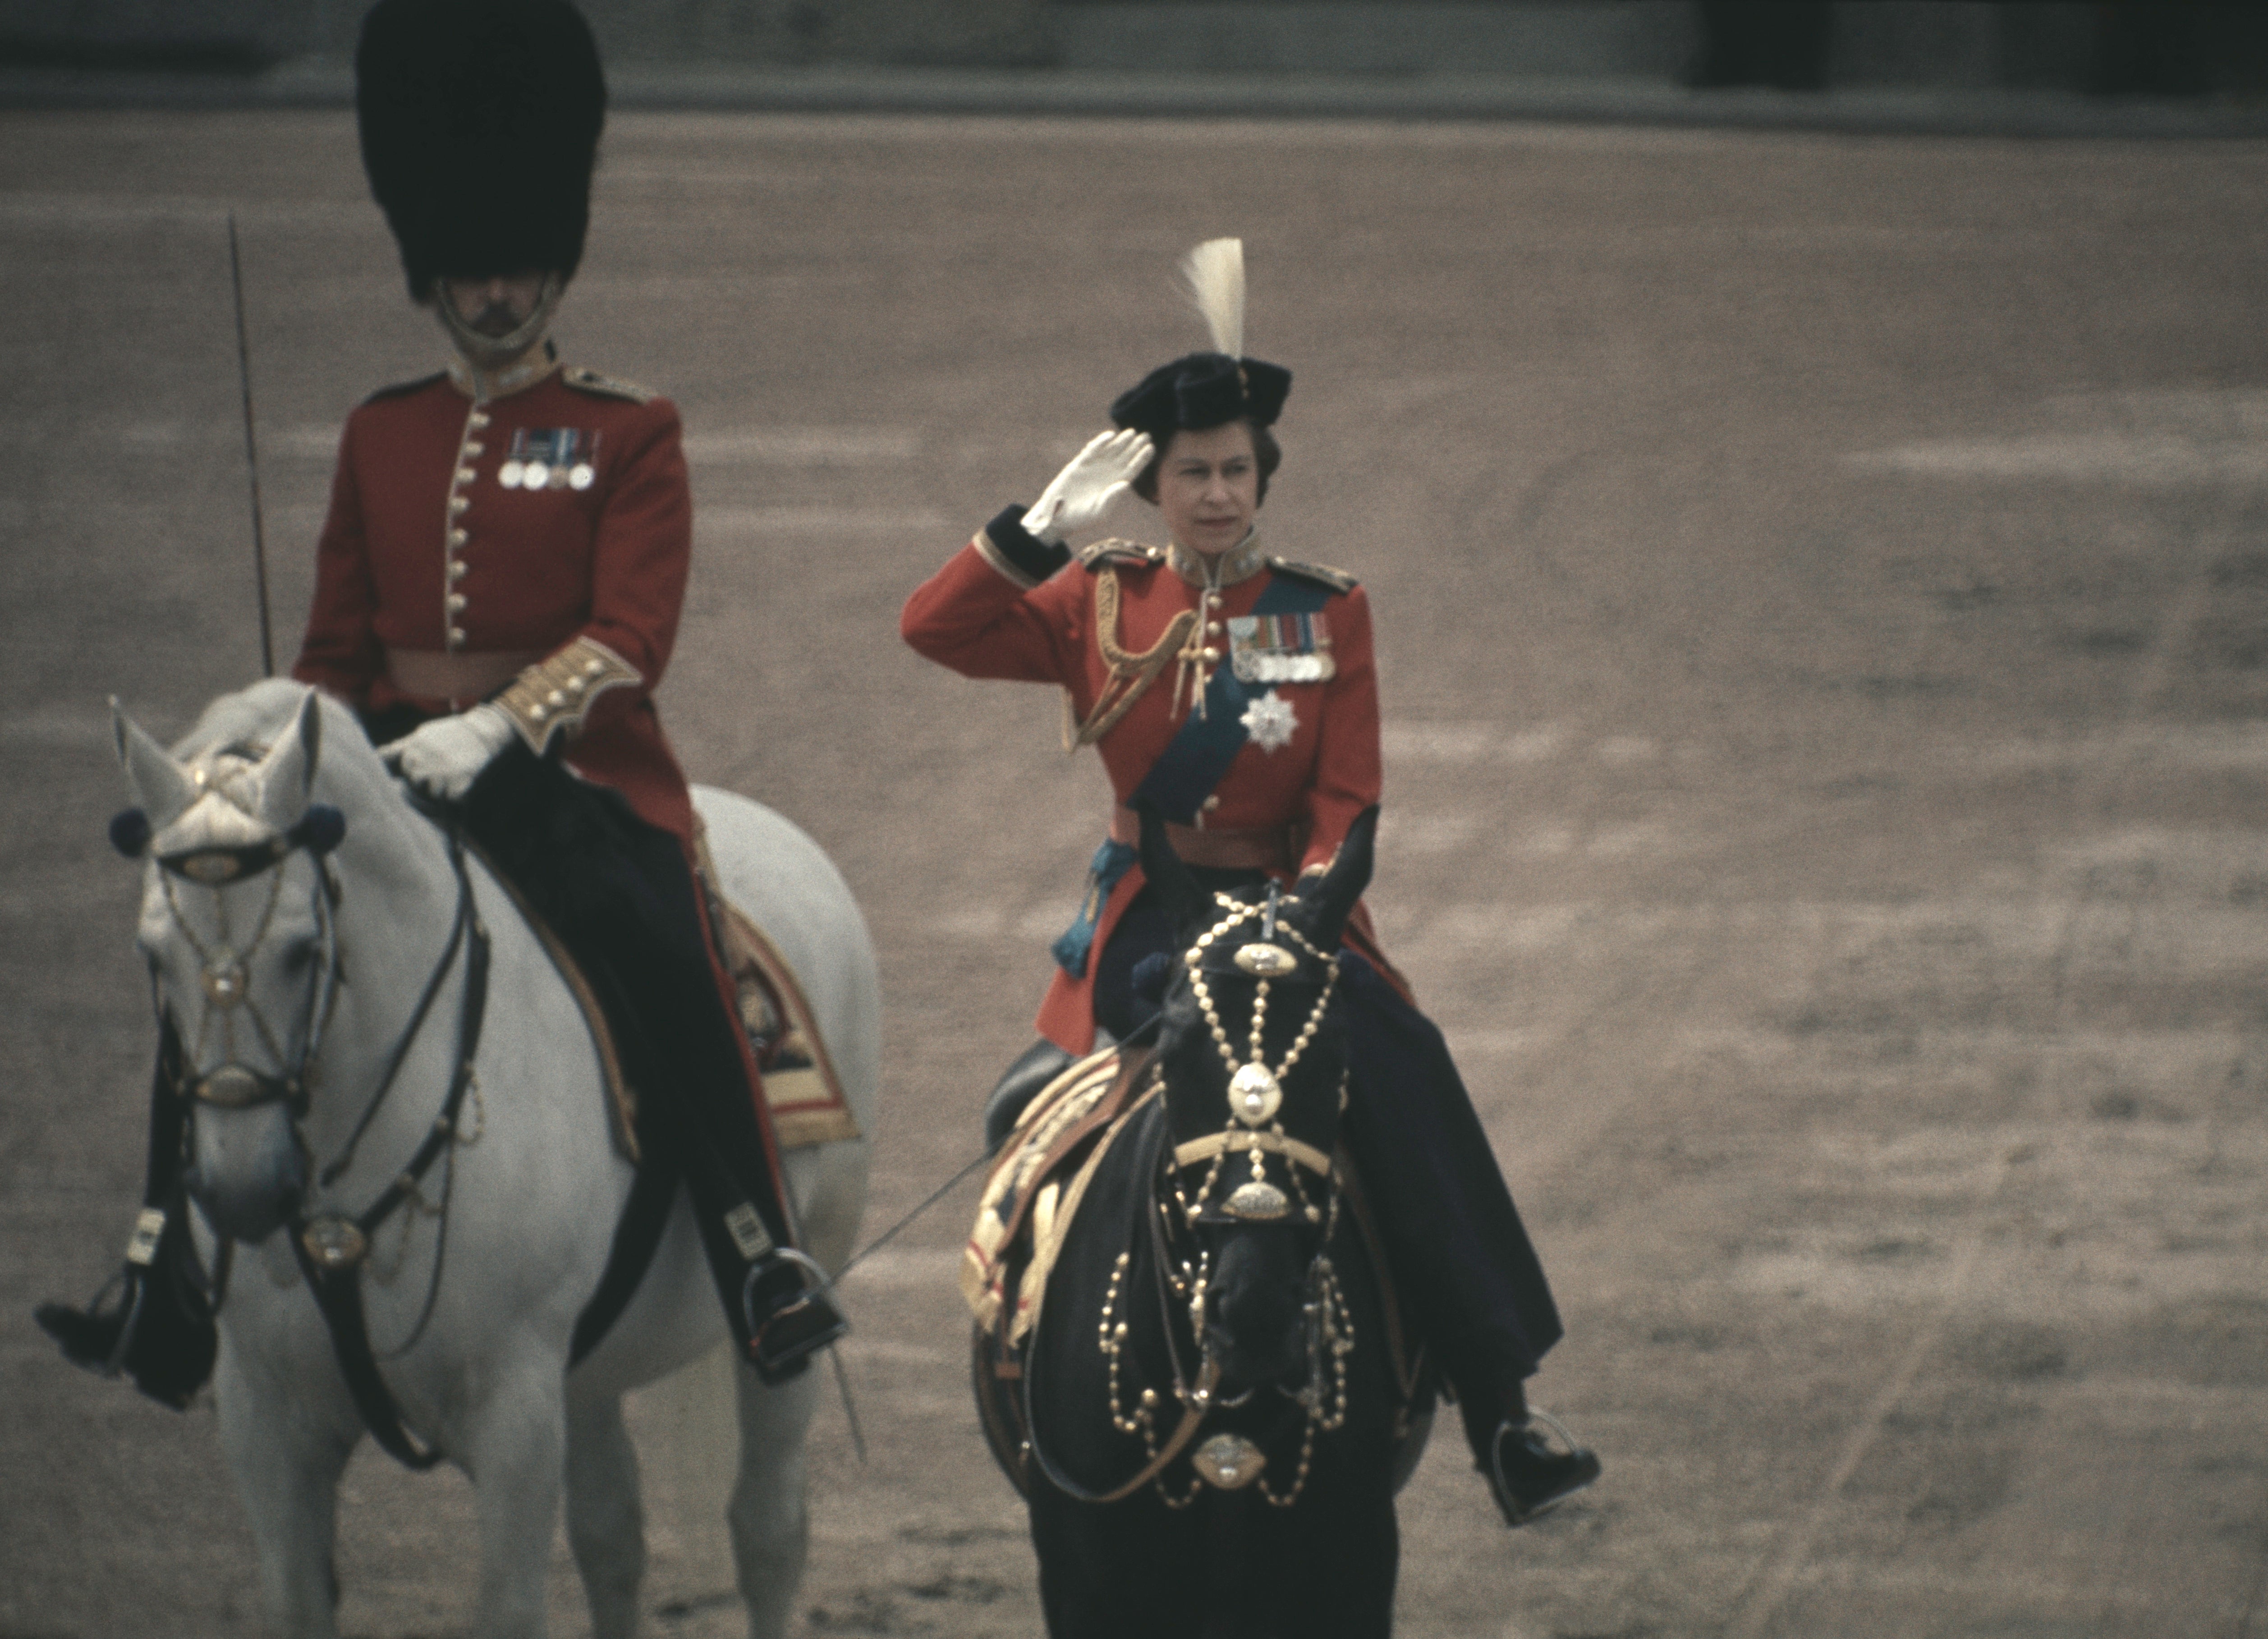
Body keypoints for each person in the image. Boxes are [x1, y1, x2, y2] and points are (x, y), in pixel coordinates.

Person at [901, 239, 1600, 1524]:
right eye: (1190, 473)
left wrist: (1311, 910)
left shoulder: (1328, 613)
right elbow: (932, 628)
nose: (1215, 494)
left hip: (1295, 915)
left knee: (1410, 1084)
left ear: (1261, 475)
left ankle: (1501, 1409)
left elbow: (1347, 802)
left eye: (1234, 470)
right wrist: (1031, 530)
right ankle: (1031, 1379)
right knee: (1040, 1129)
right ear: (1153, 485)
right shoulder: (1094, 600)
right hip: (1151, 920)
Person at [290, 0, 844, 1383]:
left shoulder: (625, 427)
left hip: (576, 777)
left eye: (514, 265)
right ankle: (170, 1258)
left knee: (656, 936)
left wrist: (499, 724)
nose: (491, 293)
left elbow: (629, 637)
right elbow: (332, 644)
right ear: (430, 272)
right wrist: (305, 748)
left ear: (553, 265)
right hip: (392, 764)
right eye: (468, 270)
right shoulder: (382, 430)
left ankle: (757, 1242)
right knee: (232, 938)